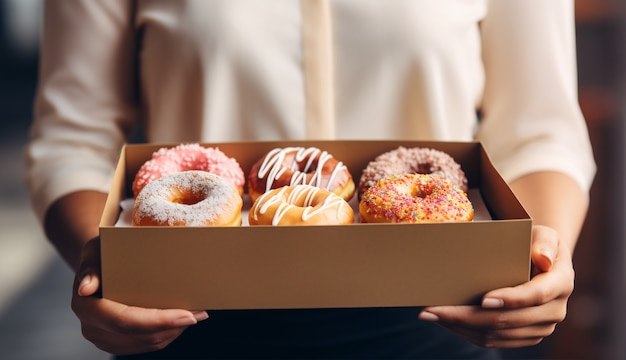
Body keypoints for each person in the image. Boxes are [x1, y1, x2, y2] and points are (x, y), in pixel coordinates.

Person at [25, 0, 595, 358]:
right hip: (183, 315)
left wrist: (544, 252)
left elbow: (540, 127)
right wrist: (103, 262)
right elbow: (73, 136)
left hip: (440, 313)